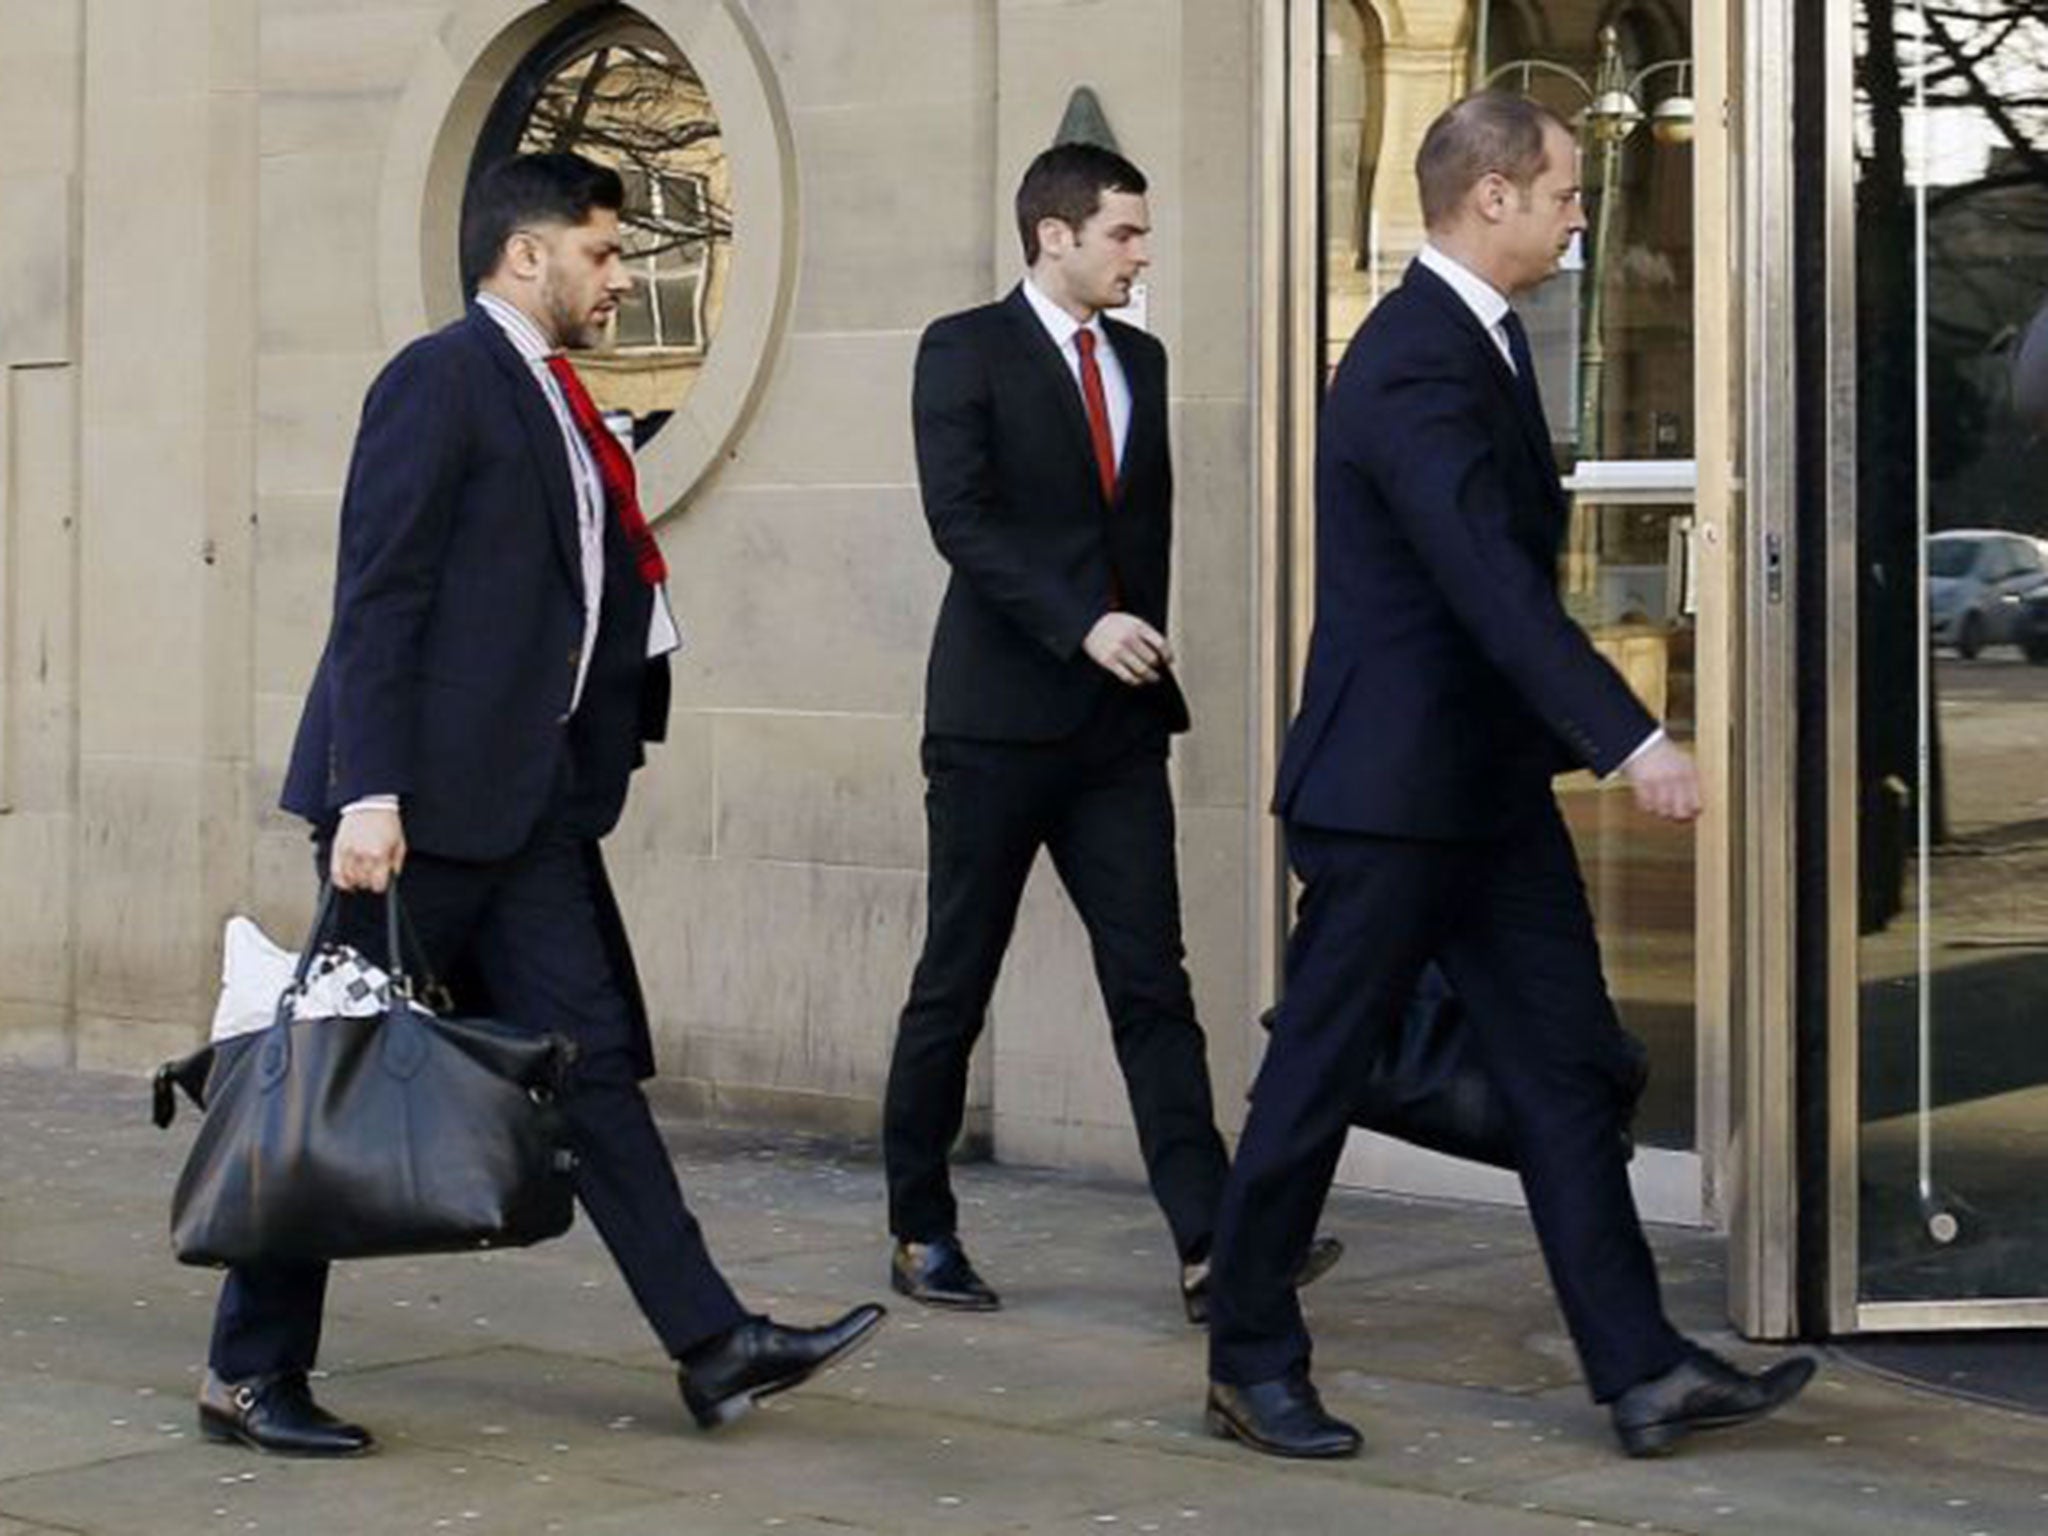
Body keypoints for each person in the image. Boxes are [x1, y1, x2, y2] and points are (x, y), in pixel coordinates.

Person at [197, 153, 883, 1457]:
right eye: (603, 253)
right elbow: (379, 599)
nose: (621, 277)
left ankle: (712, 1340)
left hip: (525, 816)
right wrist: (368, 794)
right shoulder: (440, 381)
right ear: (528, 257)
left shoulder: (560, 402)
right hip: (417, 816)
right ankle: (247, 1370)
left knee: (593, 1072)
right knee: (326, 1080)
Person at [1201, 92, 1815, 1461]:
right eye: (1564, 190)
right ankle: (1249, 1357)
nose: (1579, 211)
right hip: (1389, 797)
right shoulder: (1417, 354)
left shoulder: (1484, 341)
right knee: (1314, 1075)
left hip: (1480, 798)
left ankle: (1641, 1369)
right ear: (1492, 197)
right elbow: (1483, 574)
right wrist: (1632, 736)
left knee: (1563, 1071)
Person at [882, 143, 1338, 1321]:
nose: (1142, 253)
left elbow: (1138, 536)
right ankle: (919, 1226)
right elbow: (961, 523)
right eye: (1124, 234)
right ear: (1054, 236)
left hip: (1114, 735)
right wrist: (1080, 624)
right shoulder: (962, 349)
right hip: (991, 726)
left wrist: (1127, 647)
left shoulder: (1141, 357)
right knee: (954, 979)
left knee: (1152, 984)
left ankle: (1210, 1244)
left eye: (1142, 233)